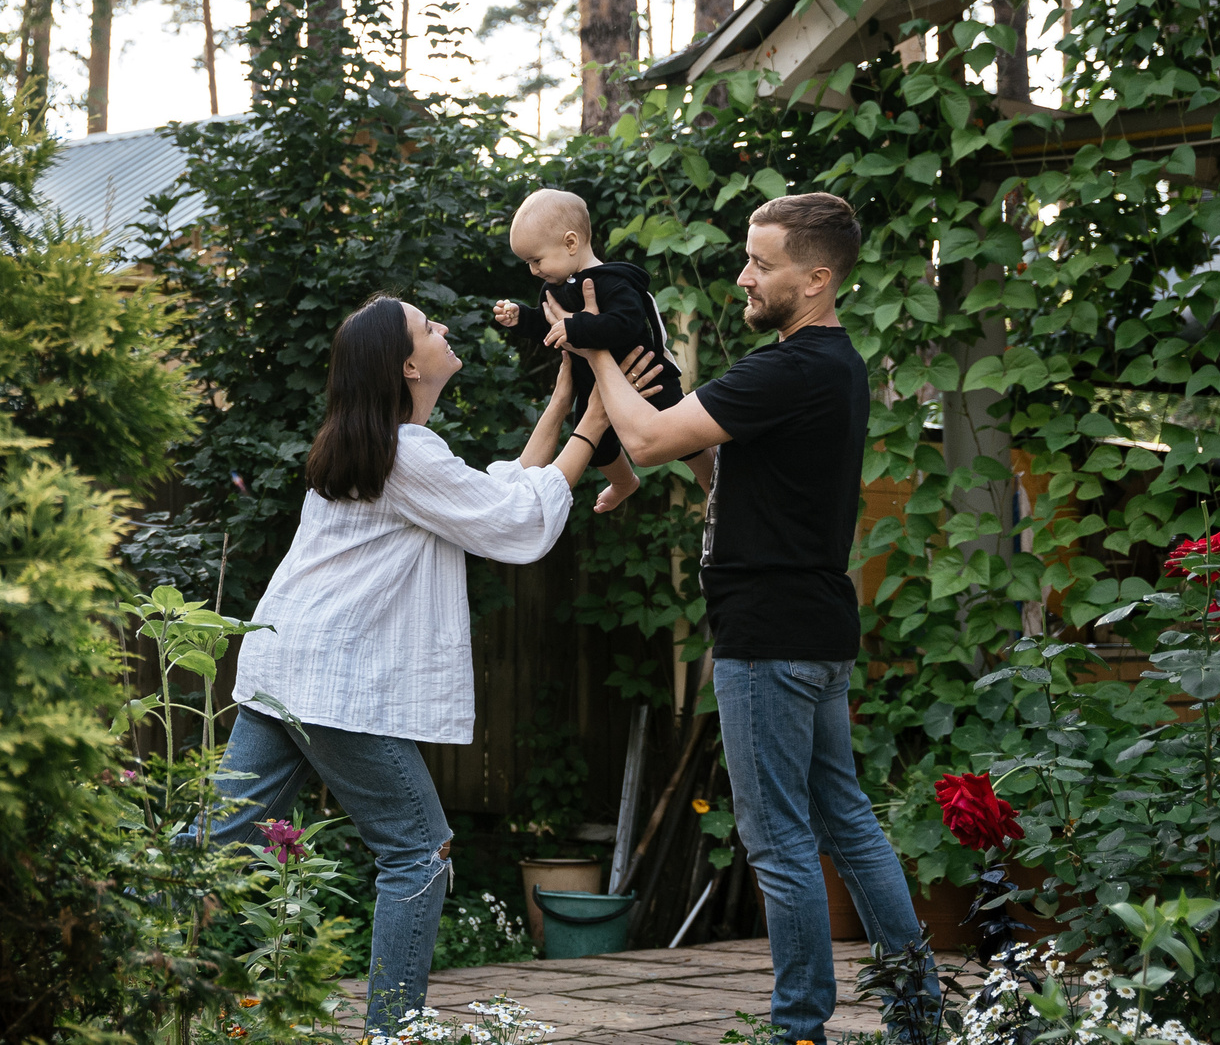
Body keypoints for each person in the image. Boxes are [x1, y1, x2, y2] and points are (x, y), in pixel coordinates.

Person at [209, 293, 664, 1040]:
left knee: (212, 845)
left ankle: (98, 938)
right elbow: (515, 524)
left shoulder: (382, 446)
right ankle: (393, 1031)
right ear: (408, 363)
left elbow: (488, 499)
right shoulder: (407, 453)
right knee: (419, 851)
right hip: (331, 685)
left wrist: (558, 404)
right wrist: (592, 424)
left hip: (284, 668)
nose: (444, 327)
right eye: (429, 325)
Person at [555, 192, 939, 1045]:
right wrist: (659, 409)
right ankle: (918, 1014)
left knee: (779, 842)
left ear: (816, 277)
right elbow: (709, 472)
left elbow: (649, 440)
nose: (743, 276)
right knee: (845, 816)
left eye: (761, 263)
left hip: (768, 636)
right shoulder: (829, 368)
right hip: (816, 627)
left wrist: (605, 348)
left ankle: (798, 1027)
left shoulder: (787, 370)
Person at [491, 186, 705, 514]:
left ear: (571, 242)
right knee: (595, 446)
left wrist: (576, 327)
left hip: (647, 373)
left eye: (536, 259)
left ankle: (713, 478)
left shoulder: (612, 281)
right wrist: (522, 319)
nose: (533, 270)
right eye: (528, 263)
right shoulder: (554, 289)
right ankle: (623, 482)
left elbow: (627, 324)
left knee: (680, 436)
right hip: (594, 383)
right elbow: (551, 329)